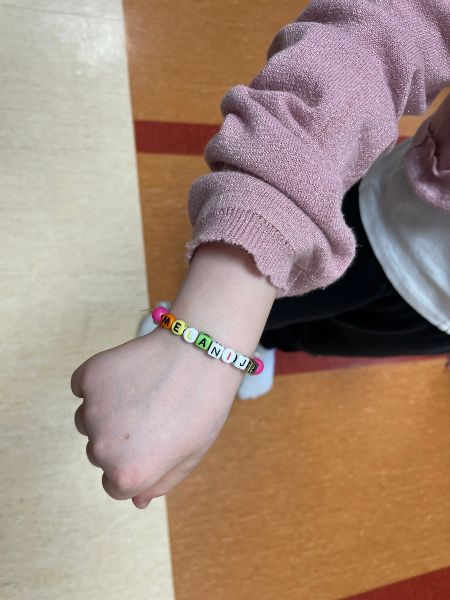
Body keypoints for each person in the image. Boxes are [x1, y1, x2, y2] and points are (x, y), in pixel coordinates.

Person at [71, 0, 450, 509]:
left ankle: (262, 343)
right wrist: (208, 332)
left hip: (435, 326)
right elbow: (389, 28)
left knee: (316, 337)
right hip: (382, 228)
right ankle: (240, 335)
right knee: (288, 299)